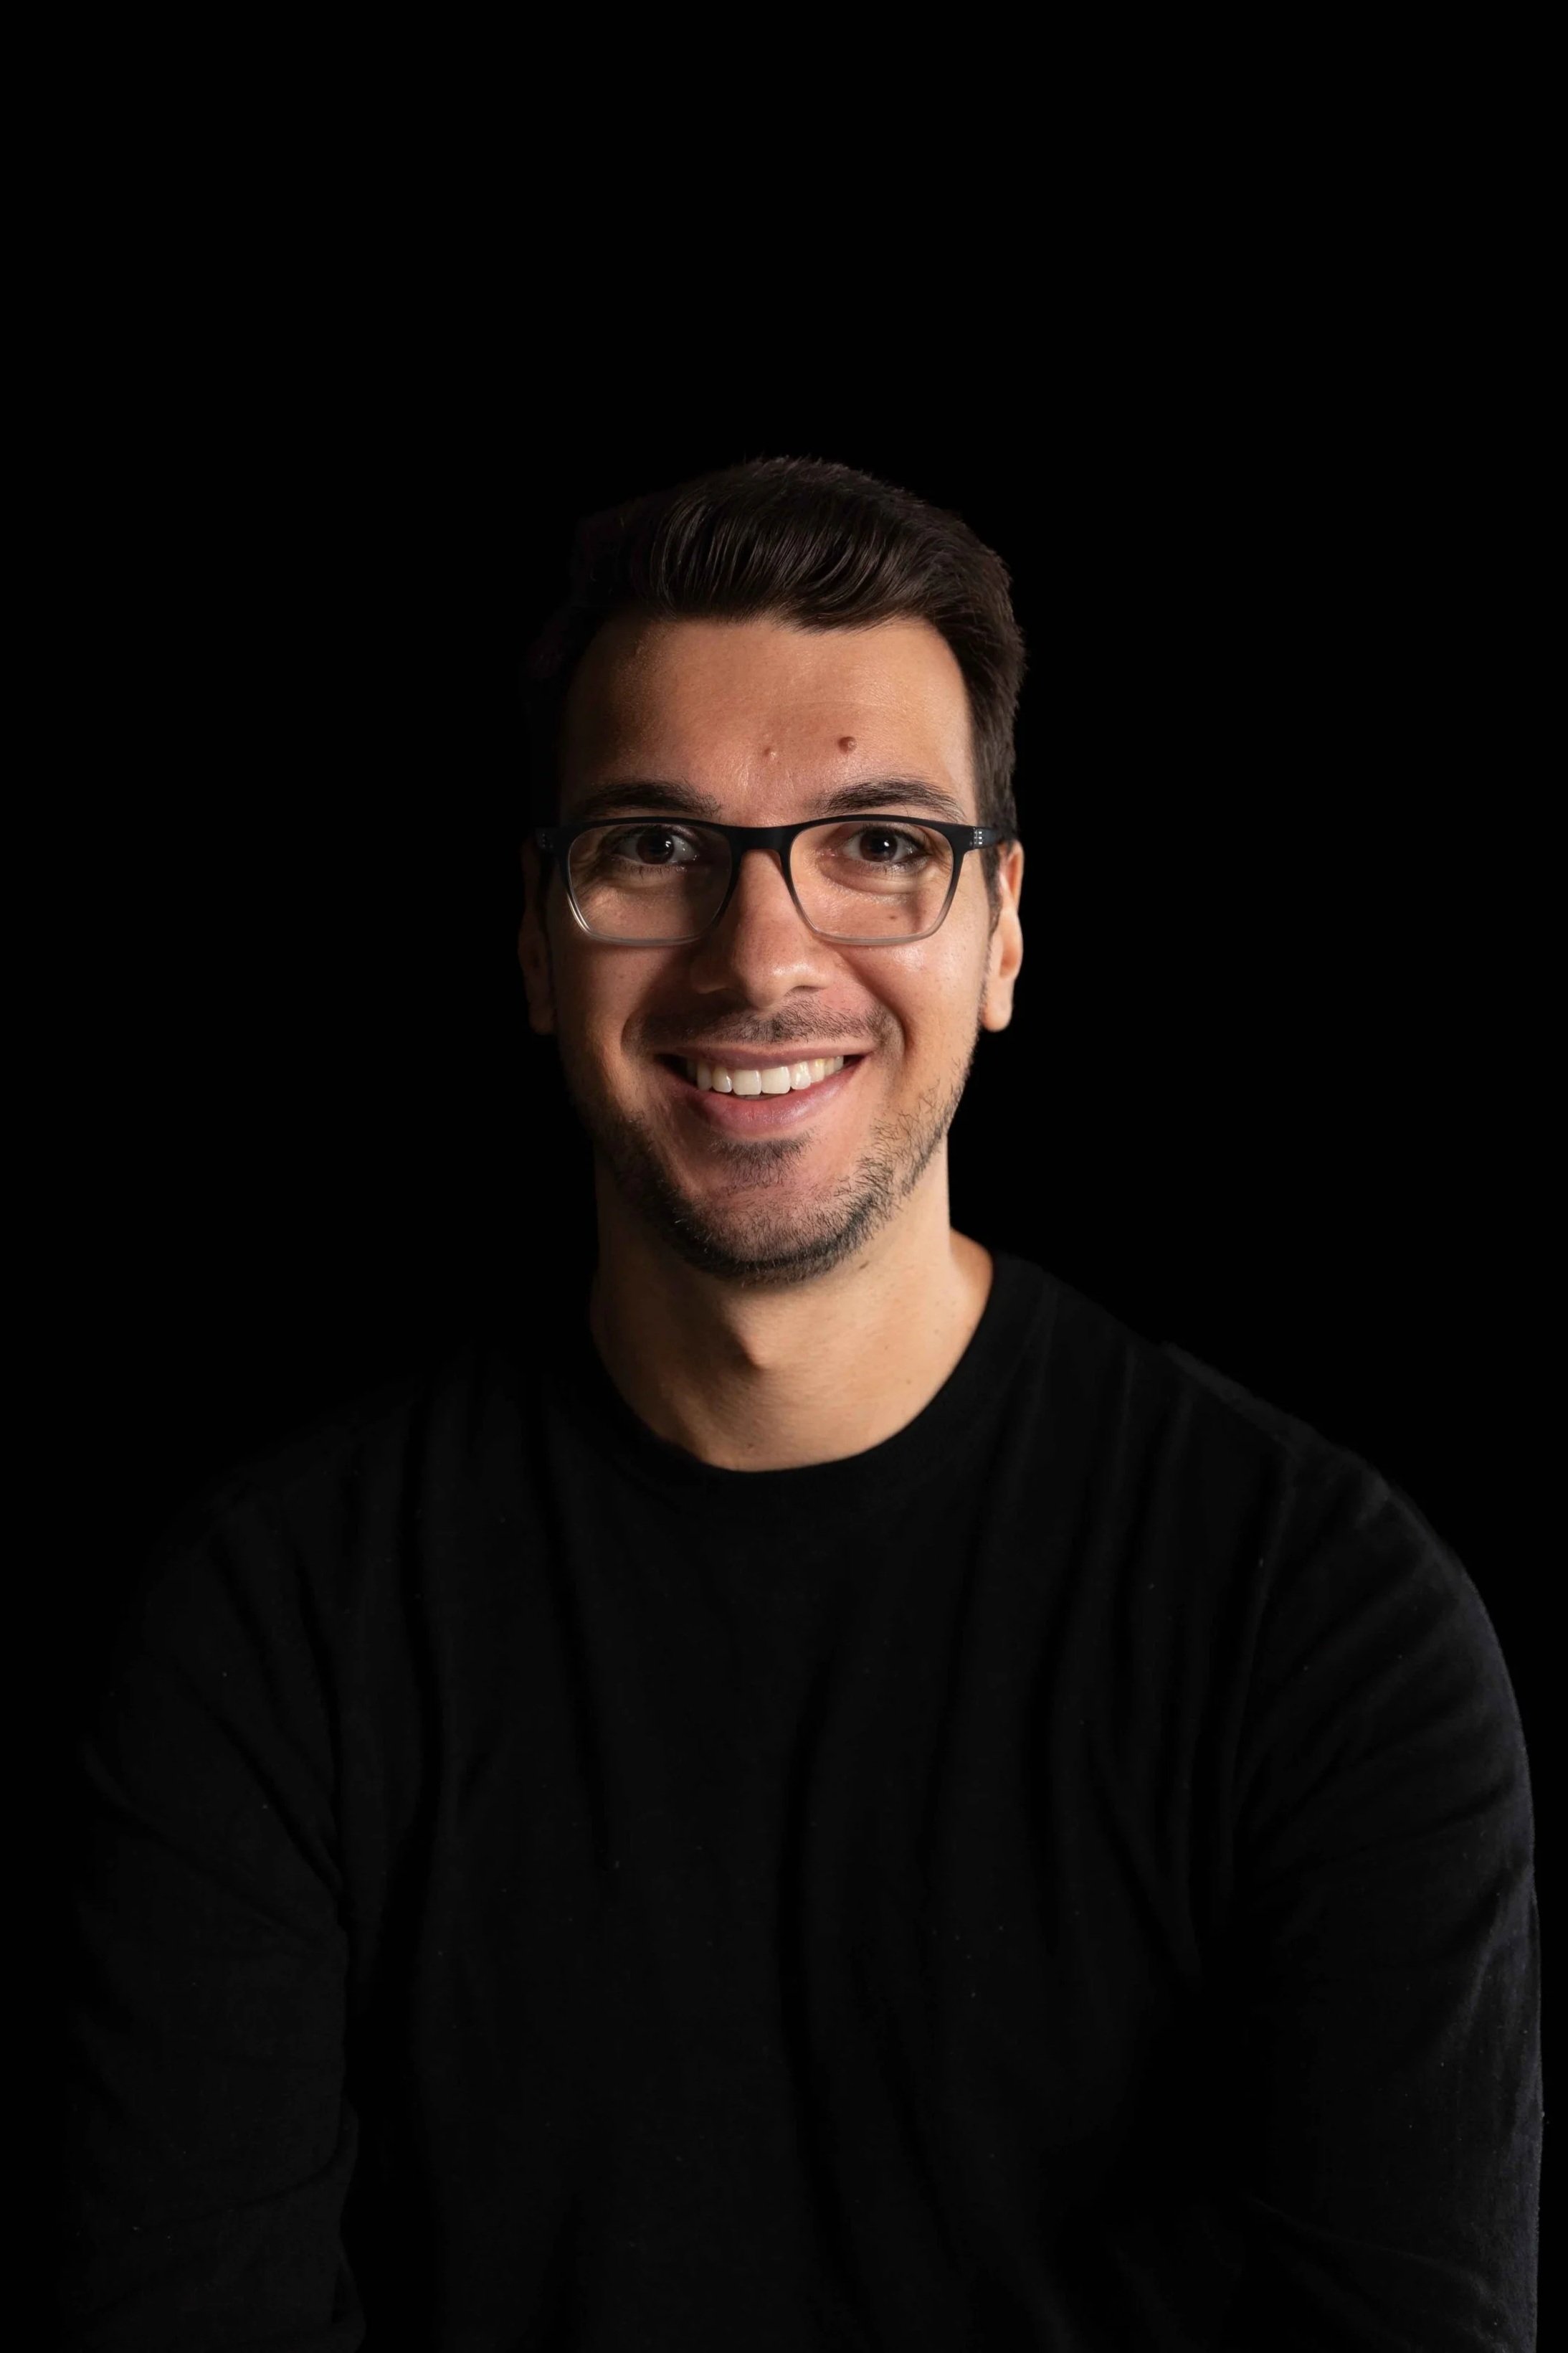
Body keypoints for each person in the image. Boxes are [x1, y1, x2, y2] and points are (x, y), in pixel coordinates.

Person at [56, 457, 1541, 2348]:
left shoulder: (1319, 1626)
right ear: (535, 933)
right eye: (653, 846)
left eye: (876, 844)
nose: (760, 957)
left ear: (1001, 930)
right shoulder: (269, 1634)